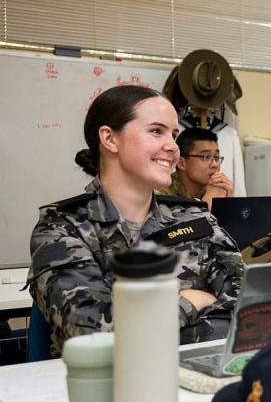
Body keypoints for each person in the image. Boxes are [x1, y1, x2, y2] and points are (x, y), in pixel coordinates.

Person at [27, 85, 243, 357]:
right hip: (106, 390)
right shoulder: (62, 228)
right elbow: (95, 336)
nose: (172, 147)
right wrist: (191, 300)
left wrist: (152, 326)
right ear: (110, 139)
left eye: (174, 135)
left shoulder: (195, 217)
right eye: (156, 131)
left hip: (201, 378)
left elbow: (248, 308)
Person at [157, 127, 233, 209]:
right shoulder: (160, 195)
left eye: (216, 157)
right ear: (181, 163)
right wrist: (207, 203)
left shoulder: (216, 190)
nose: (214, 164)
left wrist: (228, 204)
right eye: (206, 157)